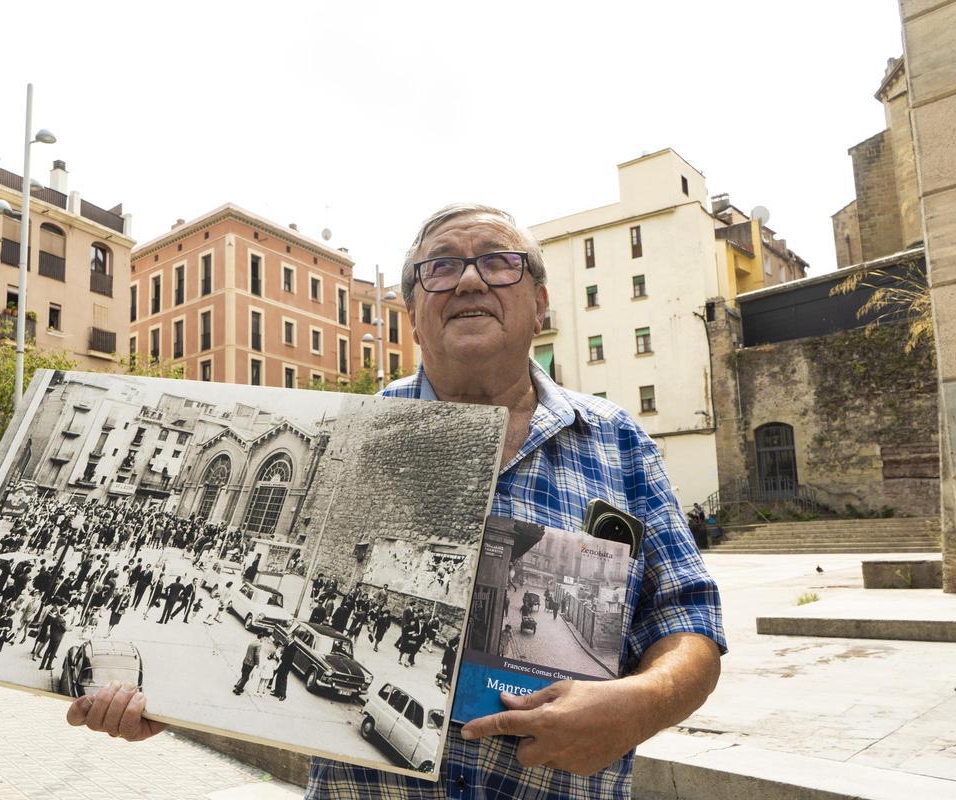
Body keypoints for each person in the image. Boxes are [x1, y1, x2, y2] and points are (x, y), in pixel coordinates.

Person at [66, 204, 725, 798]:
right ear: (412, 314)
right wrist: (173, 699)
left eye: (498, 263)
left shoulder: (618, 441)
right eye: (439, 268)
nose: (469, 281)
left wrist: (639, 705)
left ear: (542, 303)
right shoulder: (351, 436)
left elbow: (688, 622)